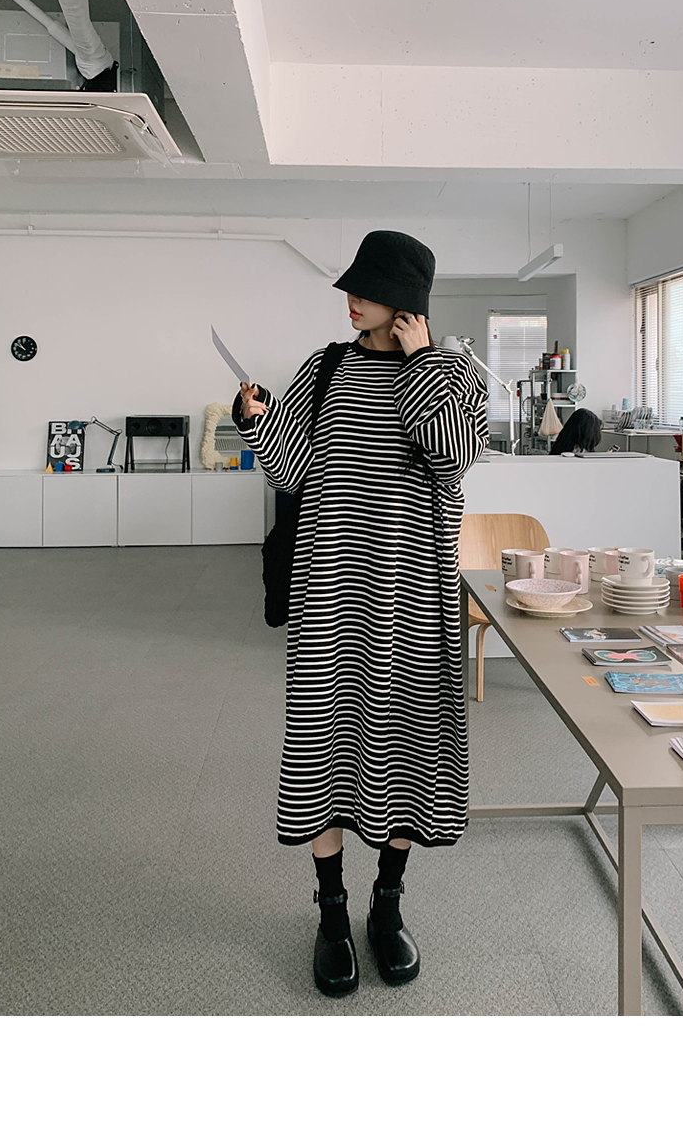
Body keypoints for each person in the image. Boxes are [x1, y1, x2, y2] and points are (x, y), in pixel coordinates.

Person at [233, 230, 489, 998]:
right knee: (324, 745)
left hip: (413, 595)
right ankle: (332, 913)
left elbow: (451, 454)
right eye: (352, 284)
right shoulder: (325, 367)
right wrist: (254, 420)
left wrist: (420, 361)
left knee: (407, 748)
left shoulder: (454, 373)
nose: (352, 298)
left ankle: (387, 903)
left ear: (408, 299)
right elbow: (292, 468)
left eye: (369, 287)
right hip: (330, 594)